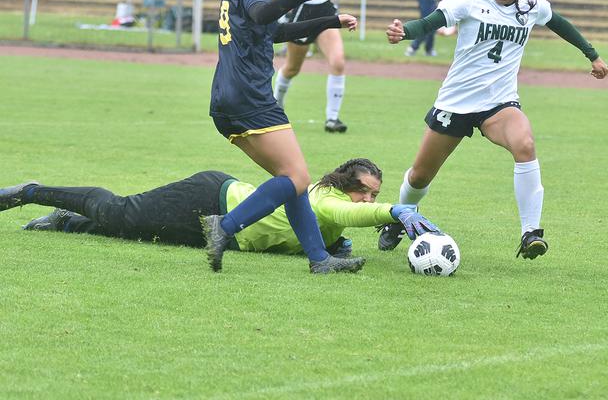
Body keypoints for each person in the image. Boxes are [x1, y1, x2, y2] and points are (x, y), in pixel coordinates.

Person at [382, 0, 608, 259]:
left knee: (525, 145)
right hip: (456, 103)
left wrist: (592, 55)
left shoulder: (532, 5)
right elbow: (431, 22)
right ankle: (401, 216)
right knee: (420, 175)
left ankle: (531, 232)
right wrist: (404, 32)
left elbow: (560, 23)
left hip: (499, 104)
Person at [206, 0, 364, 274]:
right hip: (251, 97)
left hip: (225, 100)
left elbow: (273, 31)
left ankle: (320, 259)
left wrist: (330, 21)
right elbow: (265, 15)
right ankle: (226, 227)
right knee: (296, 177)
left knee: (289, 178)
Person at [0, 159, 440, 259]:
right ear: (347, 185)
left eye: (374, 194)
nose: (369, 199)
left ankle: (65, 223)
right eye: (367, 192)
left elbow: (337, 232)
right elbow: (348, 215)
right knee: (120, 213)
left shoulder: (328, 226)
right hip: (211, 199)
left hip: (221, 232)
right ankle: (33, 191)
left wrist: (340, 247)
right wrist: (395, 211)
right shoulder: (326, 197)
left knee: (136, 233)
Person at [273, 0, 373, 133]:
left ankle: (332, 119)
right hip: (302, 13)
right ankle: (275, 104)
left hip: (325, 10)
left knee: (337, 61)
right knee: (292, 68)